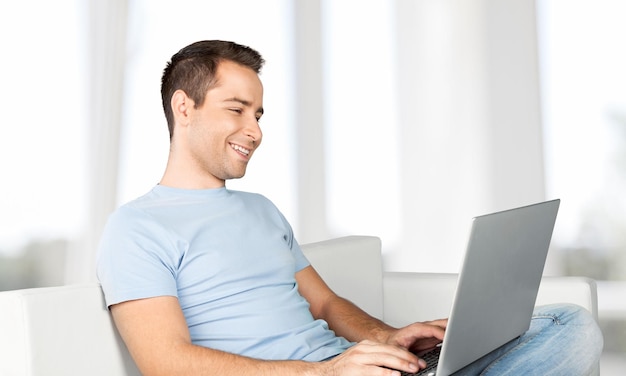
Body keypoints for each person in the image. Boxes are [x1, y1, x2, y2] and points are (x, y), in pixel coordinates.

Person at [97, 40, 603, 375]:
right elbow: (165, 360)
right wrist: (323, 372)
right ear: (184, 107)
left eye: (259, 114)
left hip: (353, 368)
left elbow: (325, 304)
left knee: (566, 324)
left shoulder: (261, 210)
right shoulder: (137, 227)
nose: (255, 131)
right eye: (237, 110)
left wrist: (391, 337)